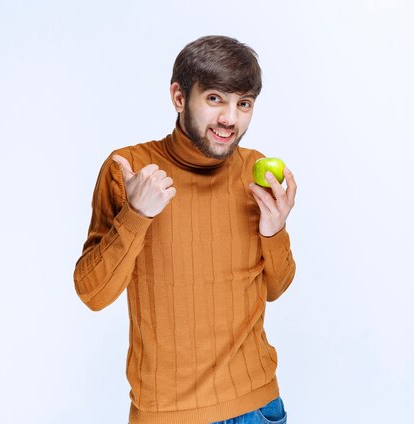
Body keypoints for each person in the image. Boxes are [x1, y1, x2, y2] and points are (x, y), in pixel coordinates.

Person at [73, 35, 297, 424]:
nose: (230, 119)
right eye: (215, 99)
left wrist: (274, 231)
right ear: (179, 97)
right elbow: (92, 294)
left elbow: (275, 288)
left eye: (243, 104)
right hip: (166, 414)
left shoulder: (254, 170)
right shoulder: (128, 169)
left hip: (257, 406)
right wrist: (136, 215)